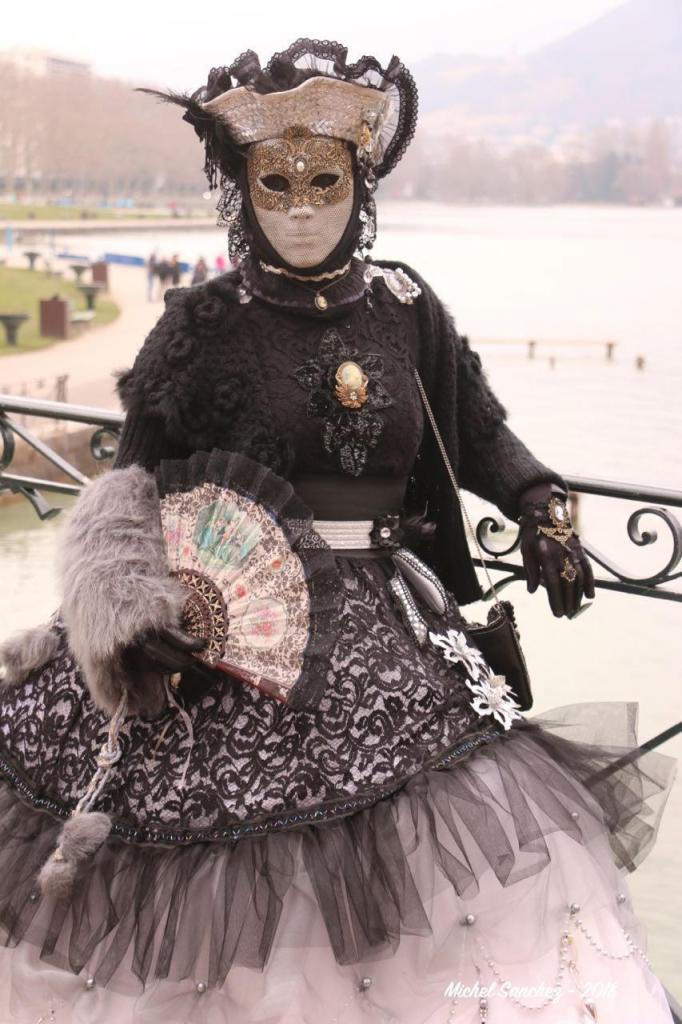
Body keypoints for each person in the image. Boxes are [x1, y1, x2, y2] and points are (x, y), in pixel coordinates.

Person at [0, 39, 676, 1024]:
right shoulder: (199, 323)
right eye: (277, 184)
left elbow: (483, 435)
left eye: (326, 181)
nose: (304, 204)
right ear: (244, 190)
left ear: (359, 186)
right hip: (219, 656)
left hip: (395, 643)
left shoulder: (406, 309)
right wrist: (124, 605)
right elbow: (127, 489)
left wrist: (540, 508)